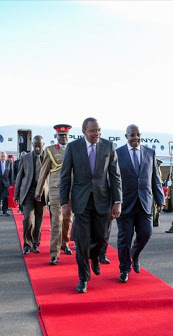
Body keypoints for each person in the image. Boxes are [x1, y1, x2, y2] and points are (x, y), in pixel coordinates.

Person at [60, 117, 122, 293]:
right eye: (93, 131)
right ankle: (83, 278)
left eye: (99, 130)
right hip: (81, 202)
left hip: (103, 200)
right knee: (82, 241)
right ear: (84, 131)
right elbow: (65, 176)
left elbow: (115, 176)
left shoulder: (108, 146)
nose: (97, 134)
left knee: (102, 237)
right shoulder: (73, 148)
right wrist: (64, 203)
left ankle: (95, 257)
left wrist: (118, 201)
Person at [116, 124, 164, 282]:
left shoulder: (150, 153)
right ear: (126, 136)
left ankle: (134, 256)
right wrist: (114, 201)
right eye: (132, 135)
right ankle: (124, 269)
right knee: (125, 238)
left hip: (145, 202)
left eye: (138, 135)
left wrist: (160, 199)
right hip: (125, 204)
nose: (135, 138)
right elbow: (113, 180)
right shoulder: (117, 154)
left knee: (146, 233)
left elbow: (155, 179)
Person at [35, 125, 73, 265]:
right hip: (56, 191)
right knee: (56, 221)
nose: (63, 138)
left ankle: (65, 243)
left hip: (71, 191)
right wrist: (39, 191)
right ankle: (54, 253)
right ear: (56, 137)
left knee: (68, 221)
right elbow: (43, 172)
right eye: (60, 136)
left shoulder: (73, 149)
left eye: (65, 135)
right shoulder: (50, 151)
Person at [15, 136, 47, 254]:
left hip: (42, 193)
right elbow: (19, 176)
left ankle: (35, 244)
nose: (37, 148)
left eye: (40, 146)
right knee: (28, 218)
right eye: (35, 146)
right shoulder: (26, 158)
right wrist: (16, 194)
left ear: (43, 145)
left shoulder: (48, 157)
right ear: (32, 145)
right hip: (28, 192)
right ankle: (27, 244)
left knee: (39, 220)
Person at [153, 158, 163, 227]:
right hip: (156, 190)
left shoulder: (157, 171)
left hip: (155, 190)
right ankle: (155, 220)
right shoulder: (158, 170)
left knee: (154, 206)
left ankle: (154, 220)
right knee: (155, 206)